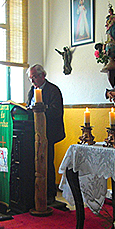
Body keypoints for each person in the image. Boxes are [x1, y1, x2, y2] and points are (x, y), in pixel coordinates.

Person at [26, 64, 67, 208]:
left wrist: (43, 109)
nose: (32, 82)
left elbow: (57, 112)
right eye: (30, 78)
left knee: (47, 163)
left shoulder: (53, 90)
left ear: (42, 75)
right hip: (34, 132)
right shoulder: (33, 90)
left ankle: (50, 195)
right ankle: (36, 192)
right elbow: (28, 107)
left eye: (34, 77)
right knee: (36, 163)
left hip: (49, 133)